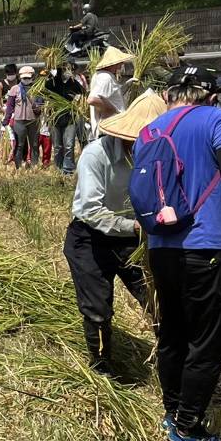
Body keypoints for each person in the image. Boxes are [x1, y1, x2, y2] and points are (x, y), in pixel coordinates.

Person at [136, 64, 221, 441]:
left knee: (173, 332)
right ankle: (189, 428)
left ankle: (173, 412)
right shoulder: (218, 119)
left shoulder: (150, 128)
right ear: (210, 94)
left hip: (161, 245)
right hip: (206, 244)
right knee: (208, 340)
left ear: (171, 92)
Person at [64, 92, 165, 373]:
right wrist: (134, 225)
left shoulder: (160, 155)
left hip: (136, 238)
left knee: (157, 299)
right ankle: (101, 366)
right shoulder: (96, 155)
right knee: (98, 307)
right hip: (91, 238)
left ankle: (170, 361)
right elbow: (90, 210)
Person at [46, 64, 87, 174]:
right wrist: (47, 74)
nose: (67, 72)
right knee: (58, 146)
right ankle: (59, 168)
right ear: (60, 70)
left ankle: (68, 169)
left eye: (70, 69)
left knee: (69, 145)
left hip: (70, 118)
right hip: (55, 118)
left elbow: (84, 93)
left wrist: (77, 100)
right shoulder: (53, 82)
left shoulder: (73, 83)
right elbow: (42, 90)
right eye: (65, 69)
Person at [87, 46, 132, 140]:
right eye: (120, 62)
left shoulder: (104, 76)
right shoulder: (105, 77)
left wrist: (128, 84)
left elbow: (110, 96)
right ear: (114, 64)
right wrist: (111, 108)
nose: (122, 64)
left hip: (111, 127)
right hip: (109, 128)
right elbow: (92, 100)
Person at [3, 65, 43, 169]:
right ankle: (18, 167)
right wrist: (6, 120)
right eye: (24, 78)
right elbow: (10, 107)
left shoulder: (37, 89)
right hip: (19, 121)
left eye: (28, 78)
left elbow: (40, 106)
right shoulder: (14, 89)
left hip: (33, 121)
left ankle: (34, 166)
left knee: (34, 145)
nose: (26, 80)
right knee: (19, 145)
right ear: (20, 77)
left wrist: (36, 105)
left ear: (32, 77)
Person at [0, 63, 18, 161]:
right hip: (7, 110)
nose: (11, 75)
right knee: (6, 132)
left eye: (12, 73)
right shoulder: (1, 84)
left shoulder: (19, 82)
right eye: (9, 73)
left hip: (18, 110)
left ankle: (16, 153)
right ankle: (6, 153)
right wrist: (2, 109)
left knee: (17, 133)